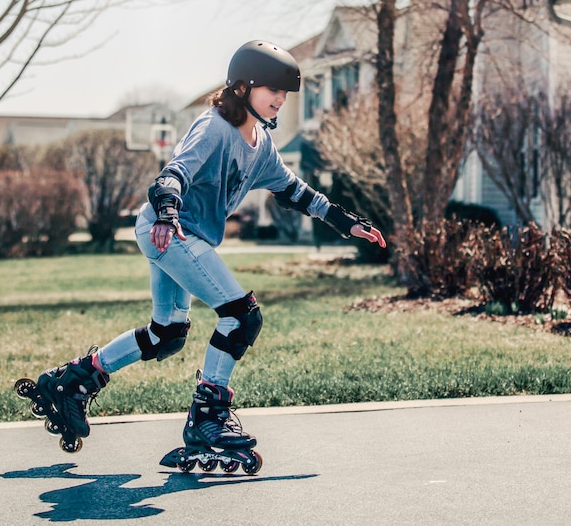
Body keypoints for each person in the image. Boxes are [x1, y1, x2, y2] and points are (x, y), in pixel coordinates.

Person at [24, 40, 386, 457]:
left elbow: (295, 192)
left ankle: (75, 379)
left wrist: (346, 223)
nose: (281, 100)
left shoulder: (261, 145)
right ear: (244, 87)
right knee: (241, 316)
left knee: (168, 333)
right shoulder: (214, 127)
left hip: (172, 233)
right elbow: (173, 173)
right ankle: (208, 416)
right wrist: (167, 212)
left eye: (285, 94)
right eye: (273, 90)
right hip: (171, 231)